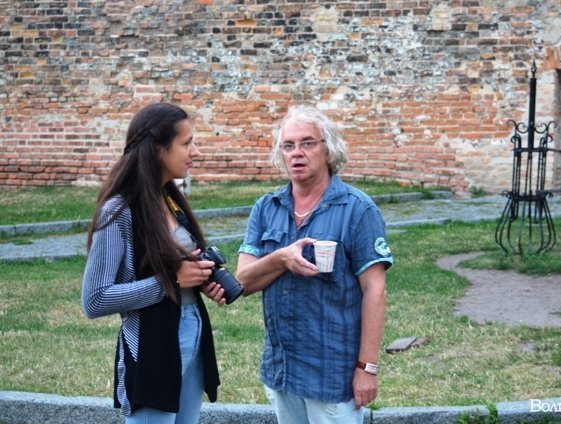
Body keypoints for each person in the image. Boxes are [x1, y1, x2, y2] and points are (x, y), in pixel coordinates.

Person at [236, 105, 393, 424]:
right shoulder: (267, 208)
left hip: (332, 374)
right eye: (288, 145)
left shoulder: (357, 209)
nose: (297, 153)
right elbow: (243, 282)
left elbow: (375, 290)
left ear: (328, 149)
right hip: (282, 369)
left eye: (307, 143)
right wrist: (281, 258)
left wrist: (367, 368)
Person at [81, 102, 227, 424]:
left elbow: (176, 268)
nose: (196, 151)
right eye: (187, 143)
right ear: (159, 149)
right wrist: (171, 283)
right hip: (152, 346)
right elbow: (95, 299)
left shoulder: (169, 198)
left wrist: (201, 277)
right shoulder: (118, 211)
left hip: (192, 330)